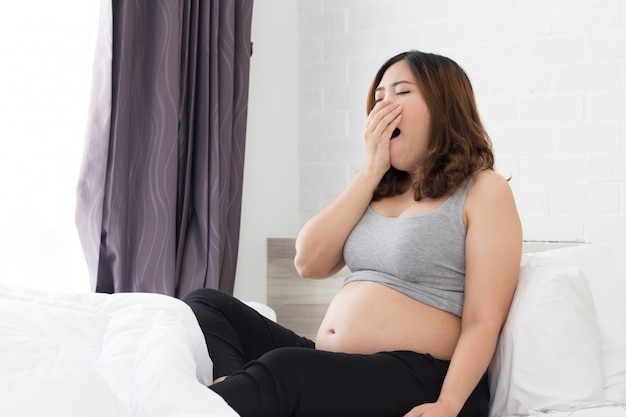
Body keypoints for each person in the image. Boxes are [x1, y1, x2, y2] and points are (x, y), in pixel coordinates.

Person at [183, 50, 522, 417]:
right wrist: (370, 170)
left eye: (402, 92)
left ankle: (222, 402)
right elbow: (308, 262)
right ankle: (234, 392)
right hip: (339, 367)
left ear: (444, 106)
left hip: (429, 379)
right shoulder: (376, 188)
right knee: (207, 303)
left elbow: (483, 320)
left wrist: (448, 403)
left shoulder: (484, 190)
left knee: (286, 370)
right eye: (378, 98)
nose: (384, 107)